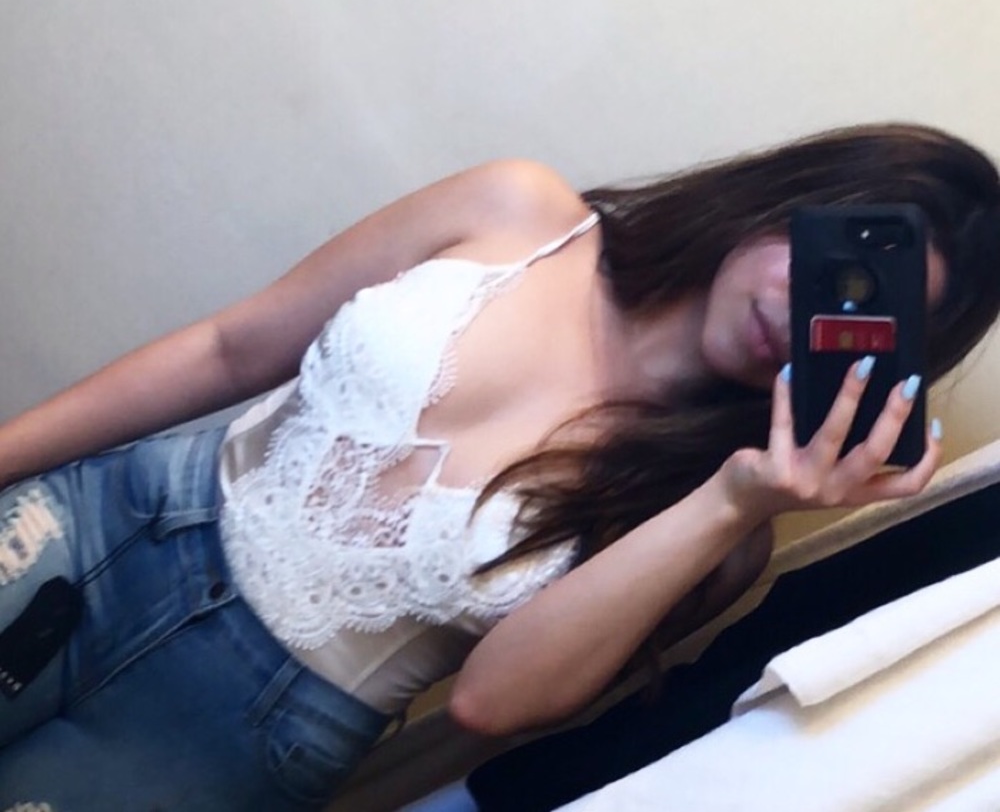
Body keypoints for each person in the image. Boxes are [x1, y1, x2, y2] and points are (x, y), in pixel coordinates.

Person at [0, 123, 998, 811]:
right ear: (787, 205)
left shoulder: (716, 531)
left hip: (245, 729)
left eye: (859, 329)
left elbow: (491, 705)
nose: (800, 318)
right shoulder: (519, 213)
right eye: (834, 273)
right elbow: (229, 349)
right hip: (97, 527)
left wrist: (736, 500)